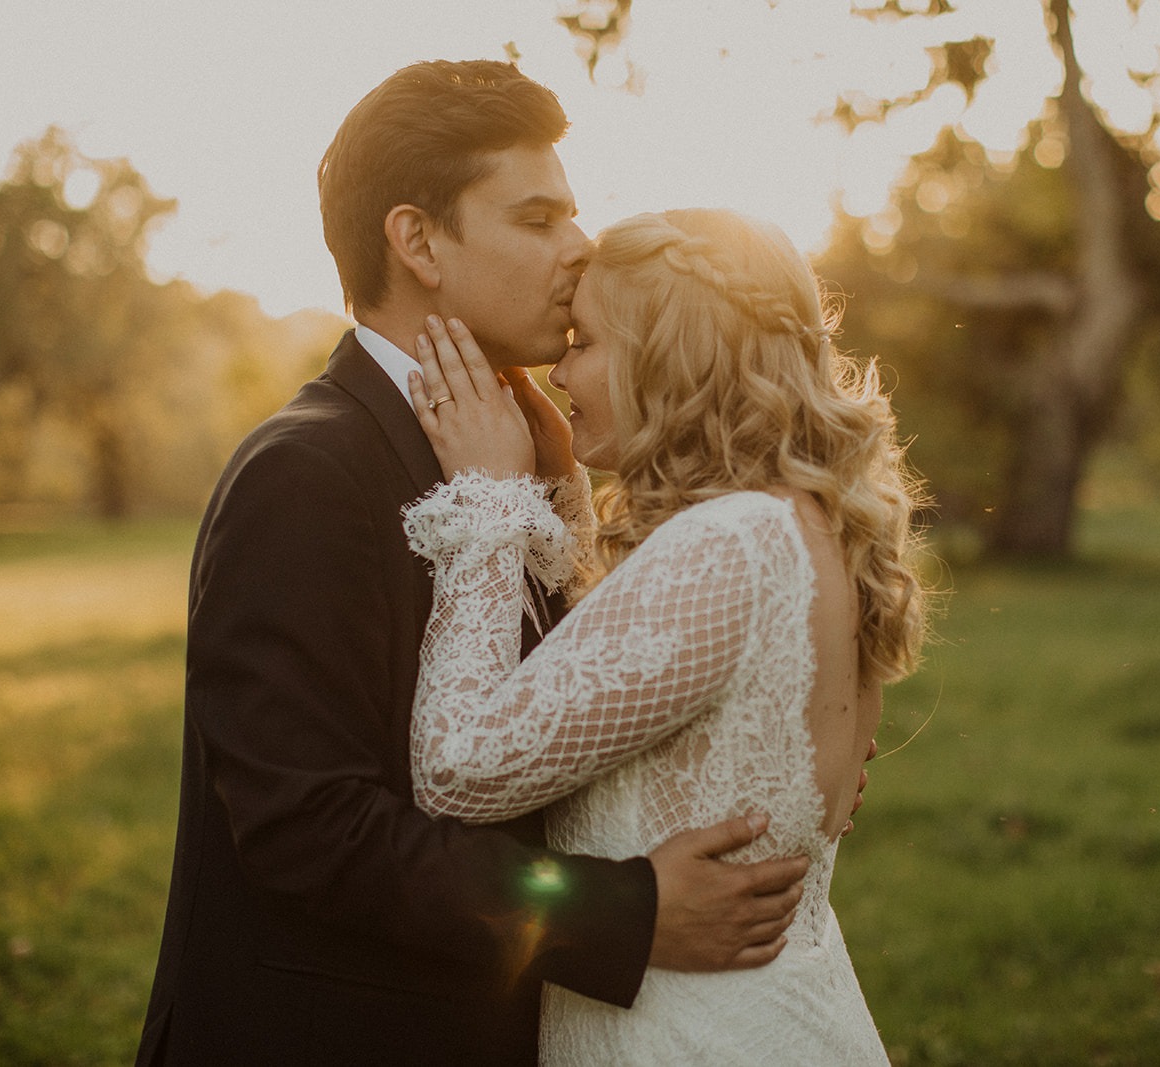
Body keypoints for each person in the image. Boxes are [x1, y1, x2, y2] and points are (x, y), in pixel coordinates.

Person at [135, 62, 812, 1066]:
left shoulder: (519, 451)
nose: (580, 246)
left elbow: (565, 713)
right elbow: (308, 828)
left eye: (571, 213)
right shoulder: (306, 472)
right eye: (538, 219)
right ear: (417, 242)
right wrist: (624, 913)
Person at [399, 207, 927, 1063]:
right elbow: (644, 675)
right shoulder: (805, 525)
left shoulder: (731, 544)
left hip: (691, 1035)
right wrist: (565, 491)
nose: (559, 370)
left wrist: (490, 500)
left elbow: (458, 768)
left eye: (585, 341)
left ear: (668, 358)